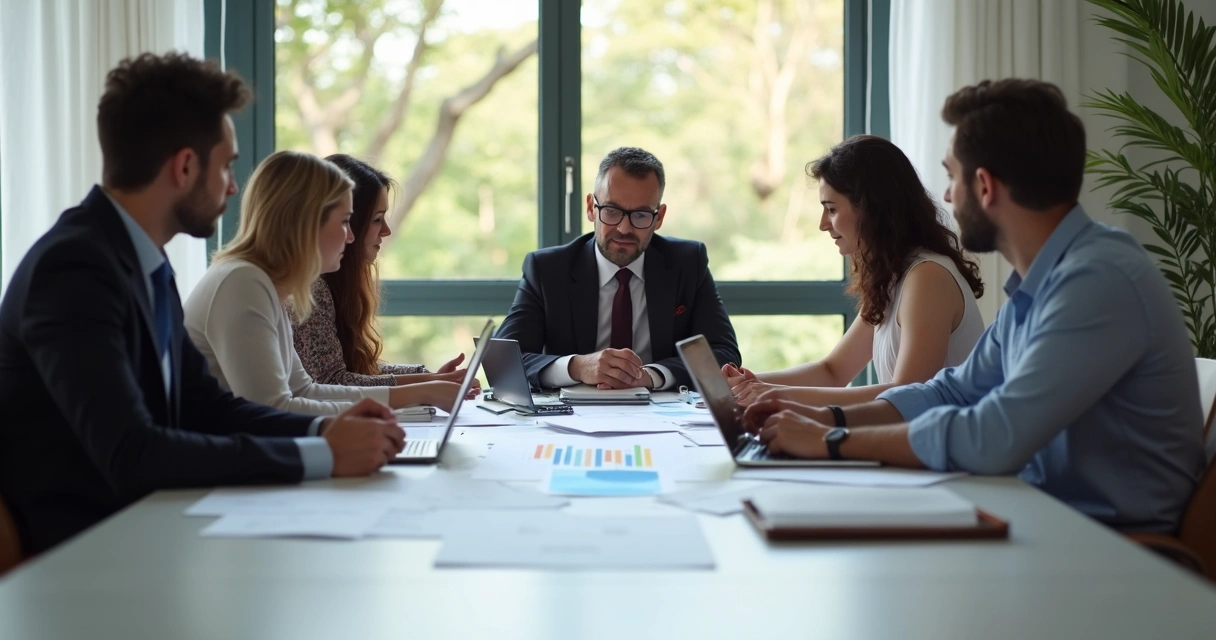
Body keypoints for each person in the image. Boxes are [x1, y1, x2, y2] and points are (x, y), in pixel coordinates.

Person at [744, 79, 1205, 532]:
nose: (946, 195)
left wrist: (832, 440)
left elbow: (994, 435)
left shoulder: (1098, 279)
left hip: (1113, 547)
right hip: (1042, 515)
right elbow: (949, 392)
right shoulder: (1043, 283)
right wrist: (824, 418)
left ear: (984, 185)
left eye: (950, 176)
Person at [0, 53, 405, 555]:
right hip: (87, 554)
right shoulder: (74, 269)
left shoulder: (143, 262)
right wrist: (319, 454)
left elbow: (206, 406)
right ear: (186, 166)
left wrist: (326, 428)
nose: (235, 186)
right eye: (228, 166)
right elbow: (134, 452)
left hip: (149, 528)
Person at [184, 151, 469, 416]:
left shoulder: (262, 284)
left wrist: (422, 390)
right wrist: (415, 393)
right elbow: (272, 410)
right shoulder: (242, 283)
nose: (351, 237)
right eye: (345, 222)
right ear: (306, 223)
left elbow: (306, 390)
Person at [725, 135, 985, 407]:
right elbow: (833, 371)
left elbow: (906, 397)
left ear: (873, 208)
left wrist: (773, 394)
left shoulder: (928, 277)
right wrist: (751, 384)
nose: (823, 224)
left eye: (832, 210)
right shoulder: (894, 276)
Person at [497, 146, 741, 390]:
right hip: (571, 418)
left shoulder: (687, 263)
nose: (624, 228)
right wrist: (578, 367)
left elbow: (724, 354)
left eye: (641, 215)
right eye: (612, 211)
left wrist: (651, 376)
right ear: (591, 208)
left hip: (661, 417)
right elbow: (503, 362)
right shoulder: (548, 270)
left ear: (659, 218)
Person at [286, 154, 474, 390]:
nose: (386, 231)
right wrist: (427, 384)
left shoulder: (335, 284)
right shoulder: (312, 287)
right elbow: (332, 381)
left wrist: (428, 376)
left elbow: (357, 368)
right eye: (377, 219)